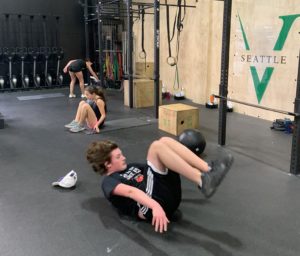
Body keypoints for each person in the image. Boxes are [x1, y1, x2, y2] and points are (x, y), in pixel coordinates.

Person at [86, 137, 233, 233]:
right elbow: (131, 192)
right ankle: (202, 180)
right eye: (118, 157)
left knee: (164, 141)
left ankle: (207, 169)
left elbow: (160, 167)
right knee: (156, 147)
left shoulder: (132, 167)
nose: (124, 157)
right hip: (151, 208)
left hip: (168, 198)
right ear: (107, 164)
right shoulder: (109, 181)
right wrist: (155, 207)